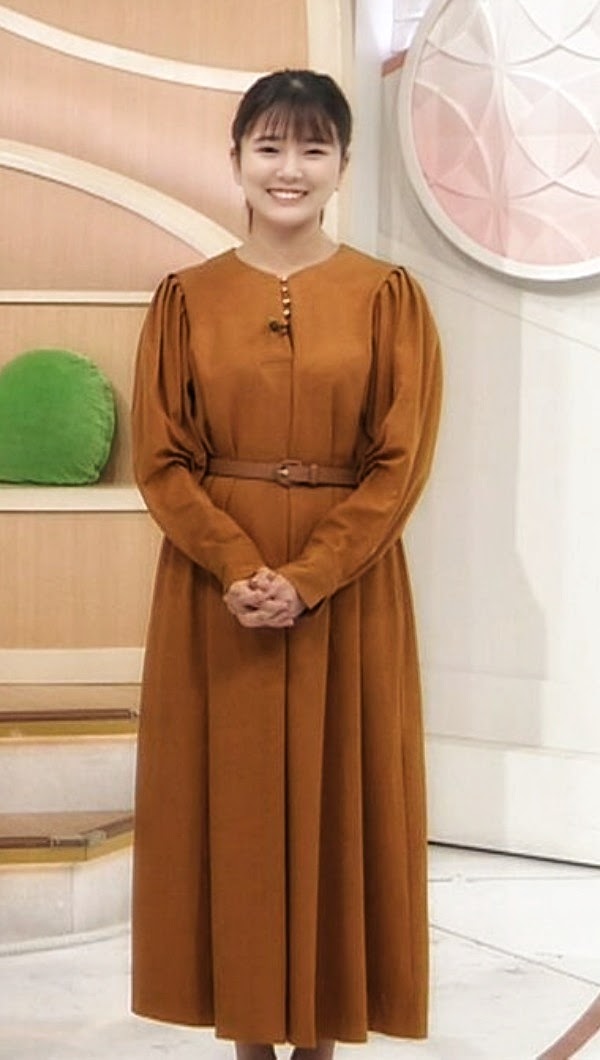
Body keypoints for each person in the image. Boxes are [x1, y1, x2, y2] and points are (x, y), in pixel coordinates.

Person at [130, 69, 442, 1060]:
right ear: (235, 160)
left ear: (344, 163)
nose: (290, 168)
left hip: (348, 588)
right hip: (214, 589)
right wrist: (237, 565)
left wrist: (308, 576)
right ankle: (249, 1041)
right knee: (231, 811)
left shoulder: (390, 297)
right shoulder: (185, 299)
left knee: (340, 805)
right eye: (269, 146)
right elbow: (161, 459)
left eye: (314, 147)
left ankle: (320, 1040)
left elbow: (400, 463)